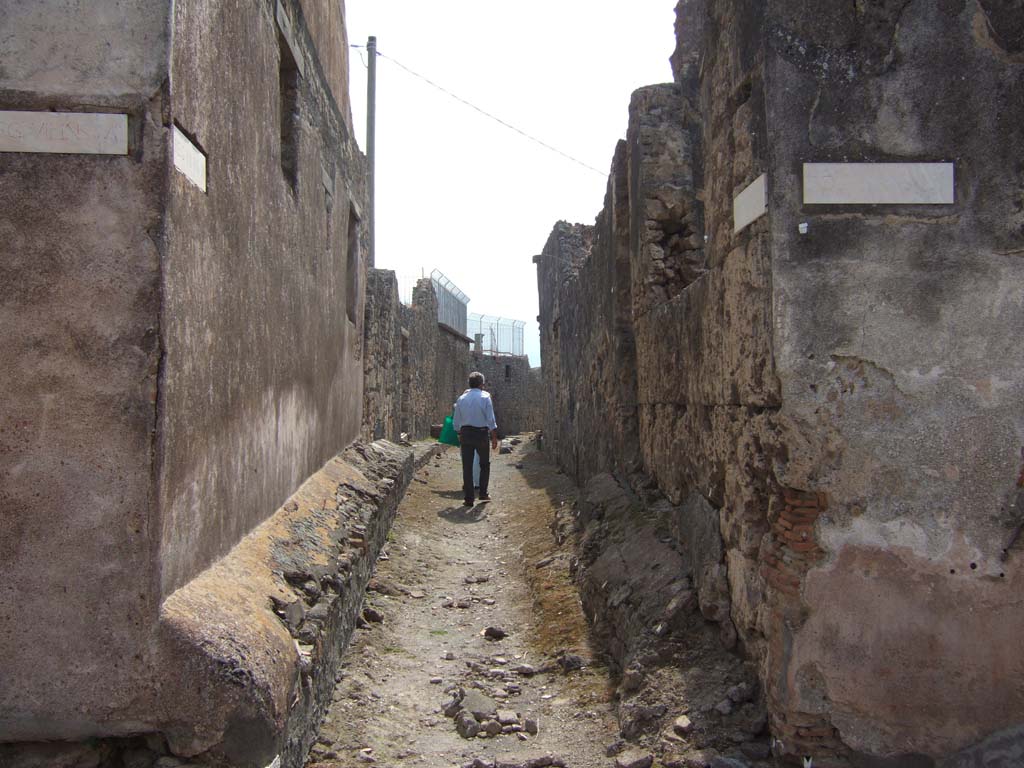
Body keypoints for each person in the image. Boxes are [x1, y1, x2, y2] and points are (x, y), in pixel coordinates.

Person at [452, 371, 498, 506]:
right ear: (481, 384)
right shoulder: (485, 397)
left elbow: (456, 421)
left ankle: (469, 498)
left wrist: (459, 433)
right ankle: (483, 493)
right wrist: (494, 437)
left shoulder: (461, 399)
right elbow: (491, 419)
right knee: (484, 464)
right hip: (481, 433)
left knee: (467, 466)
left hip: (466, 433)